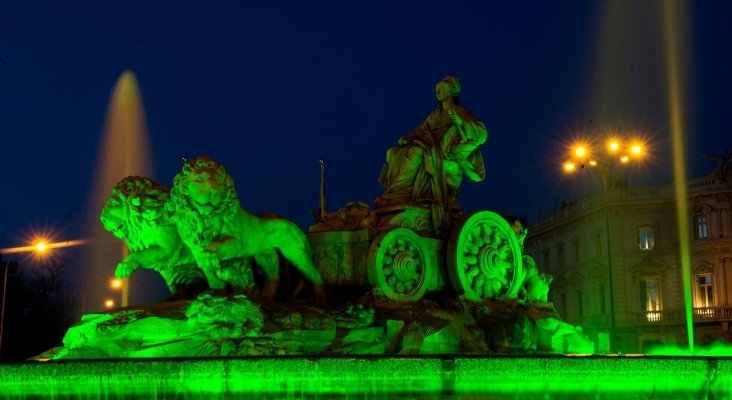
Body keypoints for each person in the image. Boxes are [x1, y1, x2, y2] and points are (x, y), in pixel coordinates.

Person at [376, 76, 488, 231]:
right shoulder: (435, 114)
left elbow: (482, 134)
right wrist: (409, 137)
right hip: (430, 147)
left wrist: (462, 123)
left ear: (452, 91)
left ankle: (397, 193)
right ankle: (393, 195)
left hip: (443, 153)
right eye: (437, 89)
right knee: (392, 152)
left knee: (416, 152)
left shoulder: (461, 111)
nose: (437, 91)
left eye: (441, 88)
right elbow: (421, 130)